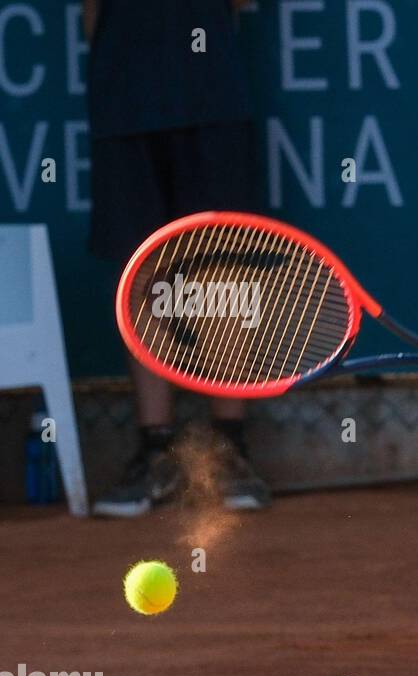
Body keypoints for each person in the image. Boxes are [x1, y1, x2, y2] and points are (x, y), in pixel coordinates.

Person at [85, 0, 270, 517]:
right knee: (139, 268)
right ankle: (156, 452)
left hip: (212, 96)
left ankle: (229, 449)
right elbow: (90, 13)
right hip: (124, 100)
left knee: (220, 268)